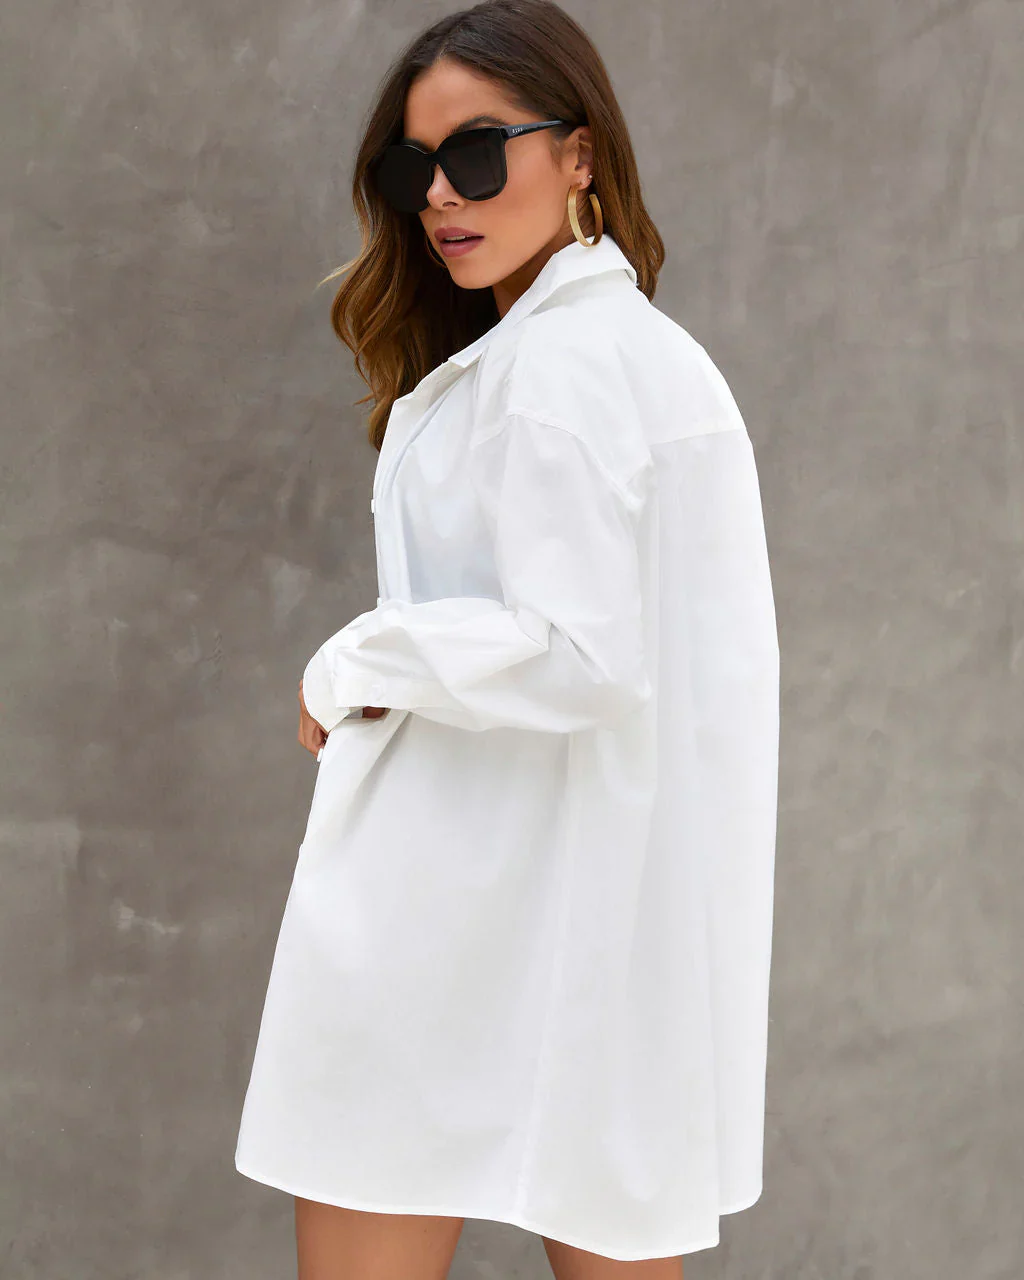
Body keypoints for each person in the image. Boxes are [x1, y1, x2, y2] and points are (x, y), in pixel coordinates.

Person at [234, 2, 780, 1277]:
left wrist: (358, 656)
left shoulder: (561, 369)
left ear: (578, 154)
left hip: (449, 909)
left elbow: (580, 652)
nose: (439, 194)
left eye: (477, 153)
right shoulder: (644, 358)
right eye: (411, 167)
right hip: (599, 920)